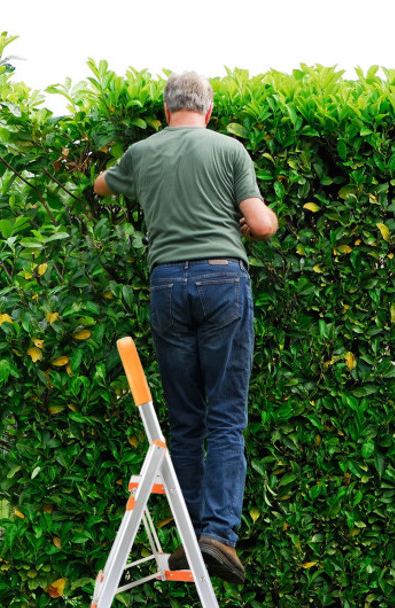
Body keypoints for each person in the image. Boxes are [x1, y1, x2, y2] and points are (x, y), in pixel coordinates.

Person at [93, 72, 278, 584]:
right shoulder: (228, 150)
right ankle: (217, 535)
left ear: (166, 110)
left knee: (187, 419)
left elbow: (102, 185)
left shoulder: (143, 152)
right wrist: (264, 220)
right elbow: (261, 225)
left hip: (167, 283)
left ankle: (193, 534)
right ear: (209, 110)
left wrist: (105, 172)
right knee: (225, 414)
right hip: (223, 278)